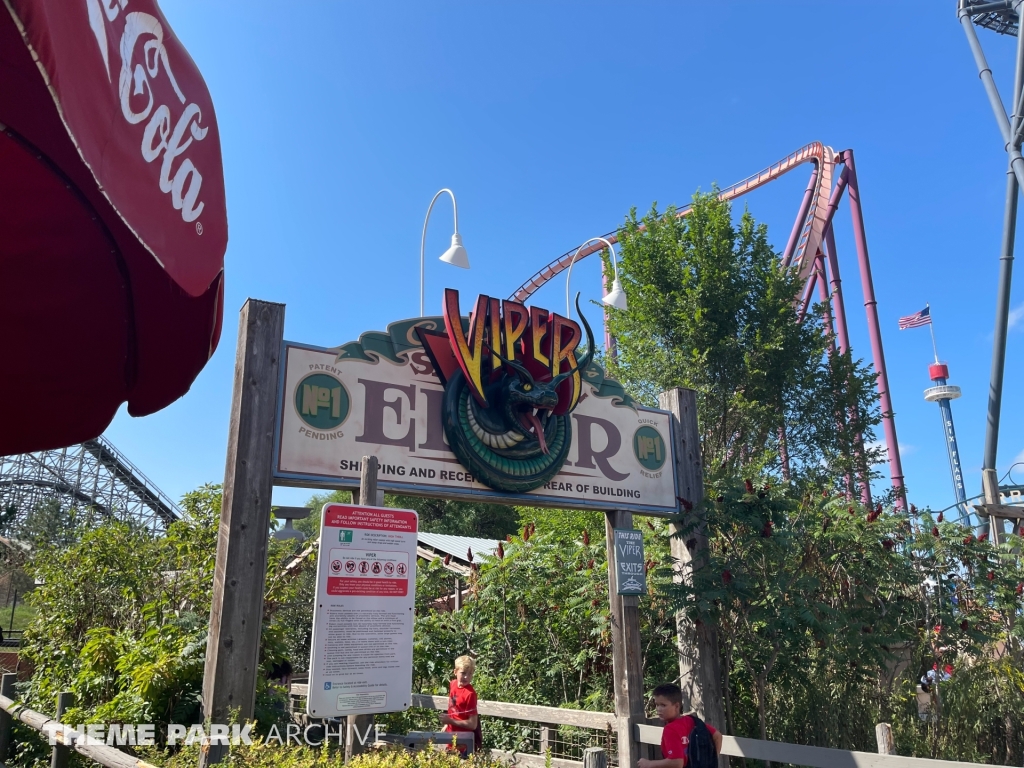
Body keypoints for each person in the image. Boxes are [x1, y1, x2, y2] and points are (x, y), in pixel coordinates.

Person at [639, 683, 723, 768]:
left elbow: (677, 763)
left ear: (676, 706)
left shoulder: (670, 729)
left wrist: (649, 764)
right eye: (657, 705)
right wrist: (711, 761)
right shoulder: (692, 721)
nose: (658, 709)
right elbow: (718, 736)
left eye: (663, 705)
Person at [438, 654, 479, 756]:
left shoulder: (470, 694)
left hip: (463, 743)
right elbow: (453, 707)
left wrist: (450, 721)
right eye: (463, 673)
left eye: (470, 674)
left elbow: (473, 724)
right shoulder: (453, 684)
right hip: (450, 737)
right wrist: (447, 724)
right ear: (455, 672)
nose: (466, 677)